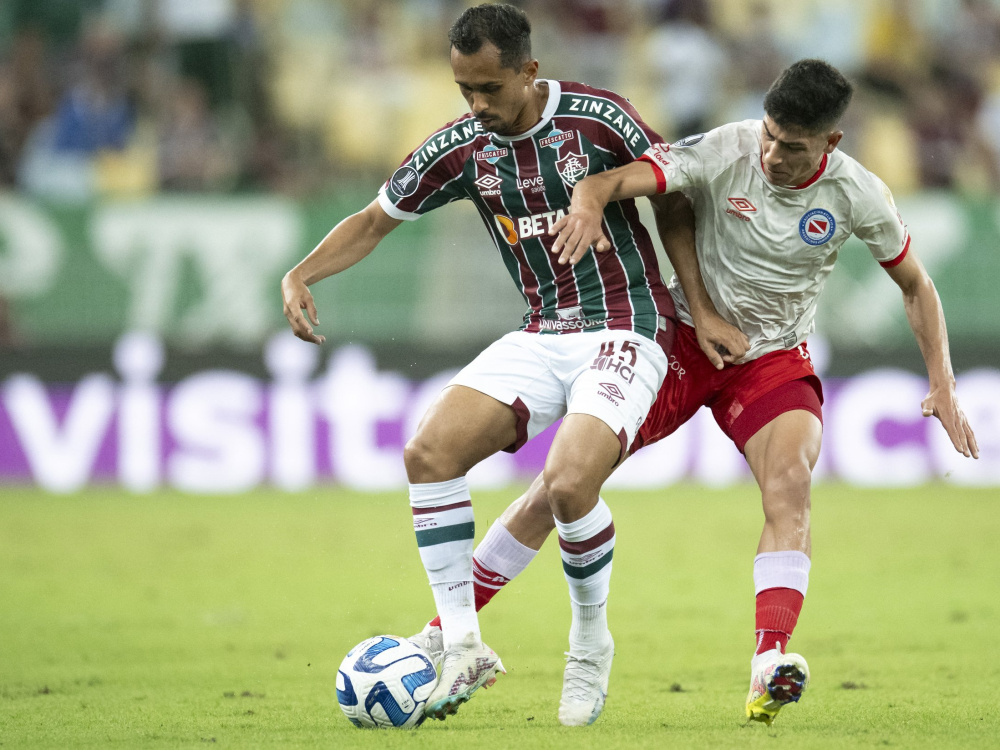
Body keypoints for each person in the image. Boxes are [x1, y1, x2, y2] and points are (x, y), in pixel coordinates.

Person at [410, 58, 980, 726]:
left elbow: (917, 284)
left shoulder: (859, 195)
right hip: (677, 338)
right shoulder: (726, 148)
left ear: (832, 143)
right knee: (560, 490)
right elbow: (630, 178)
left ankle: (770, 662)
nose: (770, 153)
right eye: (768, 133)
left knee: (790, 484)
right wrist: (591, 196)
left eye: (791, 146)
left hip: (770, 360)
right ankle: (445, 632)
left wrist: (941, 381)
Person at [281, 3, 743, 725]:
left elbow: (675, 192)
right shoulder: (464, 146)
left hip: (628, 324)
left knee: (566, 486)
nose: (476, 105)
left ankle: (590, 642)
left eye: (490, 89)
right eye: (464, 89)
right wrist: (301, 274)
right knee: (428, 453)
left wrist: (701, 306)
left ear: (530, 71)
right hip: (540, 332)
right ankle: (464, 643)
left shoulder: (598, 120)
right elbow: (375, 220)